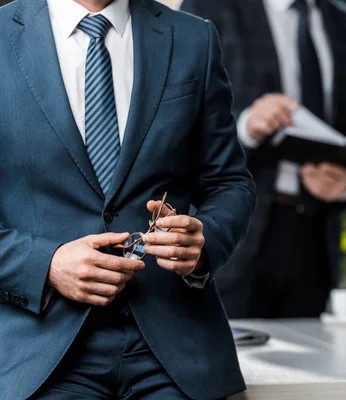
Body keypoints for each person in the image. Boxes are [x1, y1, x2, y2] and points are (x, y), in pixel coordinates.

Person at [0, 0, 255, 399]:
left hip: (172, 352)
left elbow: (229, 182)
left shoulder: (192, 37)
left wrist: (203, 243)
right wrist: (46, 265)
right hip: (40, 352)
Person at [181, 0, 346, 318]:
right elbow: (177, 118)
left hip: (314, 236)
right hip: (232, 232)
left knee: (307, 362)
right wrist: (244, 127)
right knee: (228, 361)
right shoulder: (208, 10)